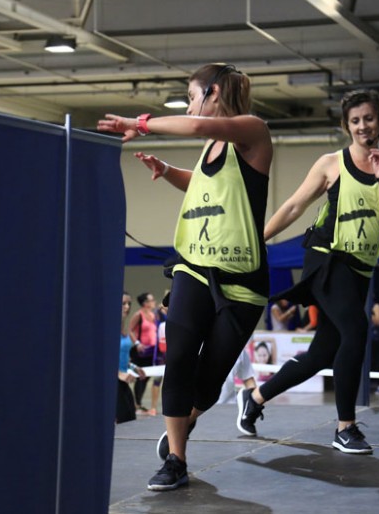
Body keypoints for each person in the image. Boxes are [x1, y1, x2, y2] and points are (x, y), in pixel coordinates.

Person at [98, 63, 272, 491]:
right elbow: (205, 184)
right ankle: (177, 460)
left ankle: (186, 418)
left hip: (242, 280)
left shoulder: (252, 131)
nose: (190, 104)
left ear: (214, 93)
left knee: (209, 381)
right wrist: (167, 171)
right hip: (193, 266)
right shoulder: (211, 145)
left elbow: (195, 125)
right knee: (178, 358)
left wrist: (140, 123)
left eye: (192, 95)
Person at [236, 89, 379, 455]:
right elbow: (294, 206)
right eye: (355, 121)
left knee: (321, 354)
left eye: (369, 118)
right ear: (347, 126)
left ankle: (255, 397)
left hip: (360, 269)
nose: (363, 126)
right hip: (326, 258)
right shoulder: (331, 164)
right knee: (357, 329)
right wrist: (256, 240)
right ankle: (345, 427)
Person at [128, 292, 161, 415]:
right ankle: (137, 405)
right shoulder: (139, 315)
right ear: (145, 303)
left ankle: (139, 404)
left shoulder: (154, 315)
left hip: (151, 351)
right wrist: (137, 343)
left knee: (146, 377)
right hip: (140, 351)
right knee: (140, 377)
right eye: (151, 300)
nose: (154, 302)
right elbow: (130, 330)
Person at [117, 292, 141, 424]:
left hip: (123, 381)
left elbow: (123, 356)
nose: (127, 307)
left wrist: (134, 367)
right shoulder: (108, 329)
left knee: (130, 418)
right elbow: (102, 359)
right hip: (112, 381)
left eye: (129, 304)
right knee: (123, 420)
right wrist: (118, 373)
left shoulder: (124, 328)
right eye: (123, 303)